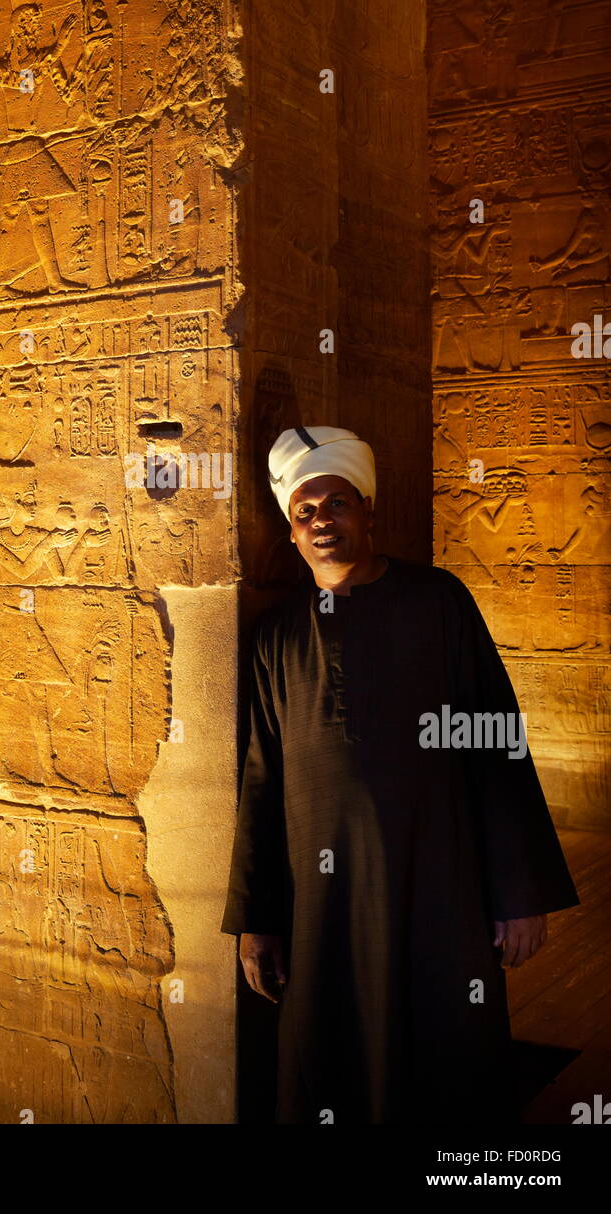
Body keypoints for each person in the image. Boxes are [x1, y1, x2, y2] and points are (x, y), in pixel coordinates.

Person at [221, 425, 579, 1124]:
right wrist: (256, 921)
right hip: (321, 905)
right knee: (331, 1061)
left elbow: (495, 743)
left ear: (369, 512)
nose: (322, 521)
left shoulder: (437, 601)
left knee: (448, 1061)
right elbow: (260, 784)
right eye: (306, 511)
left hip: (439, 886)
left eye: (337, 504)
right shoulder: (276, 639)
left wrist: (518, 892)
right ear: (292, 533)